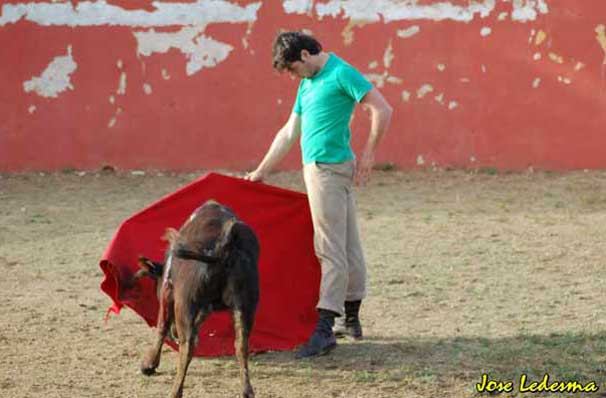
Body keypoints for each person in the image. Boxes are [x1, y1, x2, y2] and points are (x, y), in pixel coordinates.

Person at [245, 31, 393, 358]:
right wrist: (262, 171)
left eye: (292, 69)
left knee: (329, 248)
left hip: (327, 169)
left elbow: (382, 108)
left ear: (305, 56)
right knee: (348, 244)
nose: (292, 76)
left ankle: (325, 328)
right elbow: (288, 132)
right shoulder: (307, 82)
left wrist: (369, 152)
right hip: (324, 169)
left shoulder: (340, 73)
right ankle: (351, 319)